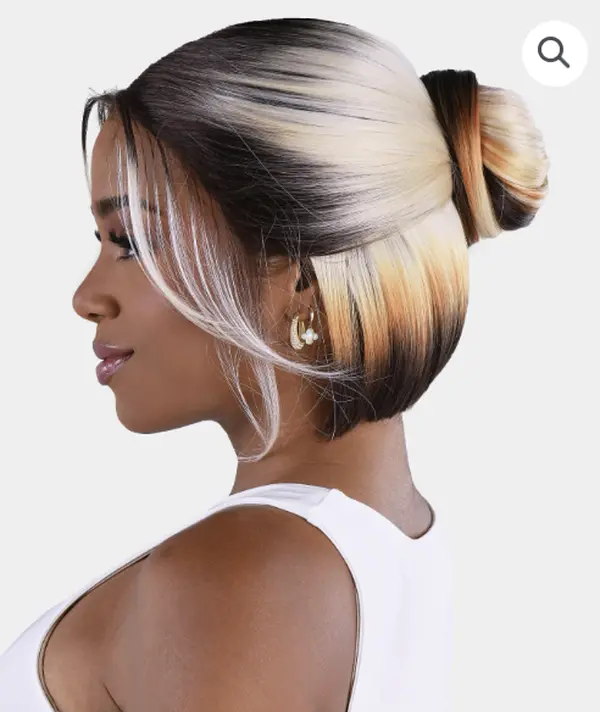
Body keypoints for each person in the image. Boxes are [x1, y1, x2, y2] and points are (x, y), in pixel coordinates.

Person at [0, 16, 548, 712]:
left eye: (131, 241)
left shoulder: (239, 572)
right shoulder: (387, 538)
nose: (87, 297)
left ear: (298, 276)